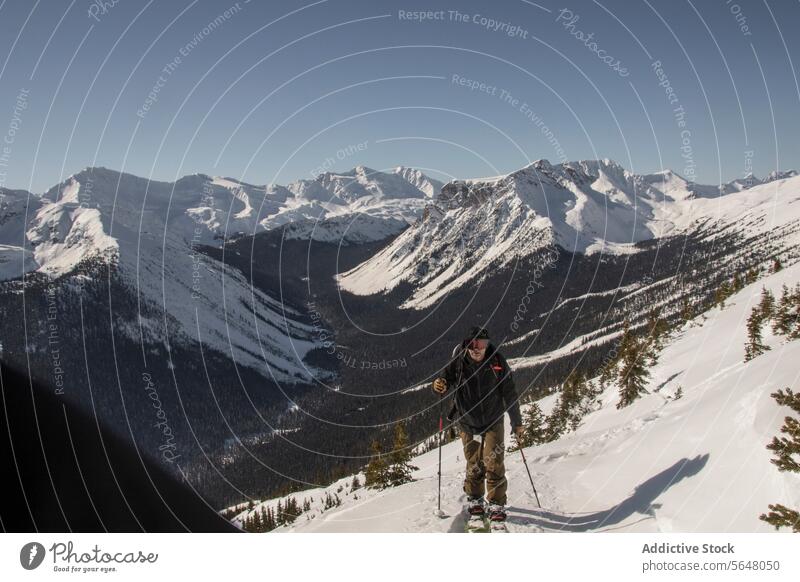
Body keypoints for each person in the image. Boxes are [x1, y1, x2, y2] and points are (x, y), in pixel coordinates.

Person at [432, 326, 524, 523]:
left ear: (487, 344)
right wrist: (439, 385)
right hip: (468, 422)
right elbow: (444, 381)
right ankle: (475, 500)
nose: (477, 348)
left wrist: (517, 422)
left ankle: (496, 502)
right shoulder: (458, 363)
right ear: (466, 345)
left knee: (494, 461)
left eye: (481, 344)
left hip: (493, 420)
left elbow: (509, 392)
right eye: (473, 344)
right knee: (474, 463)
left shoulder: (497, 361)